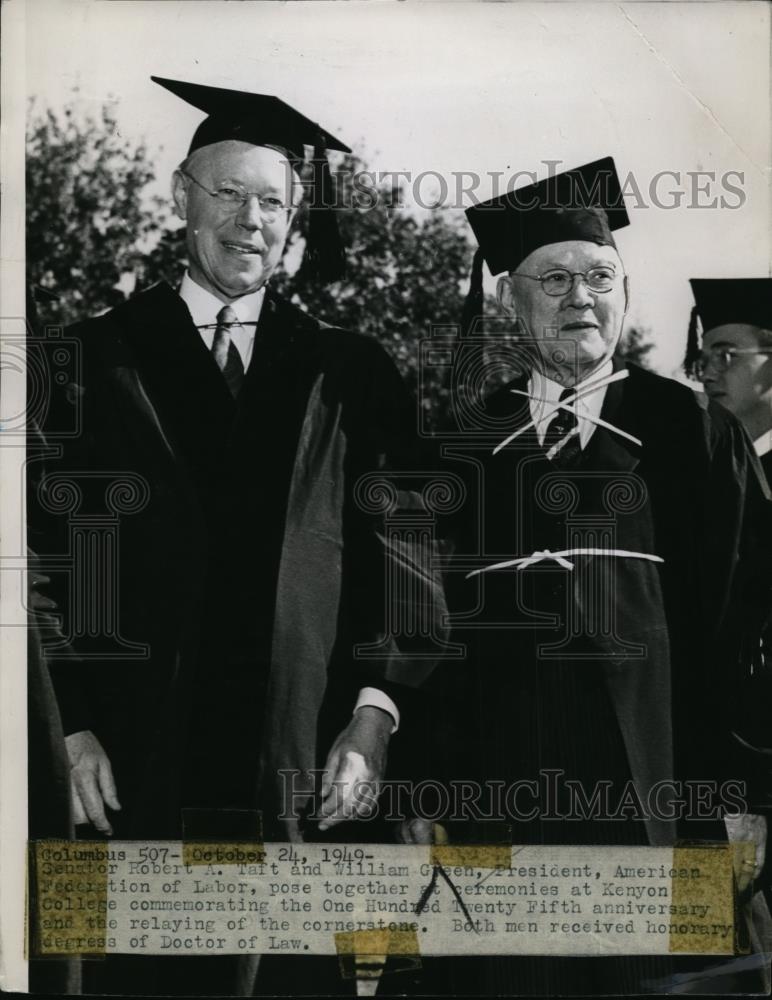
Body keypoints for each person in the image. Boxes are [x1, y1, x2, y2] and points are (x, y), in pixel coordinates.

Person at [29, 76, 440, 995]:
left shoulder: (351, 374)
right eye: (228, 194)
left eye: (273, 202)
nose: (251, 220)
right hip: (130, 762)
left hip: (294, 766)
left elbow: (407, 563)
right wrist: (70, 725)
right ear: (181, 196)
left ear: (294, 219)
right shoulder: (88, 358)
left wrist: (374, 717)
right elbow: (37, 563)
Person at [423, 158, 772, 995]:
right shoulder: (464, 444)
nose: (582, 296)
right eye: (554, 279)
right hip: (500, 802)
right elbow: (424, 630)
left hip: (662, 796)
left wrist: (749, 786)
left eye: (601, 276)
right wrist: (427, 785)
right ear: (511, 299)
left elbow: (753, 617)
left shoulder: (692, 432)